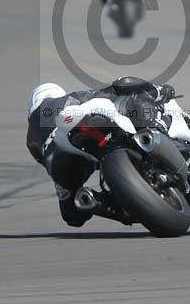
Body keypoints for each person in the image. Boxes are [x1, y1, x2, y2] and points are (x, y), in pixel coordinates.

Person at [26, 77, 174, 228]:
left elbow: (47, 162)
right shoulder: (65, 100)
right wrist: (158, 90)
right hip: (84, 135)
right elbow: (108, 92)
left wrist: (63, 187)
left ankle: (96, 203)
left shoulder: (31, 140)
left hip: (63, 159)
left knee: (72, 215)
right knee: (132, 93)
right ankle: (157, 130)